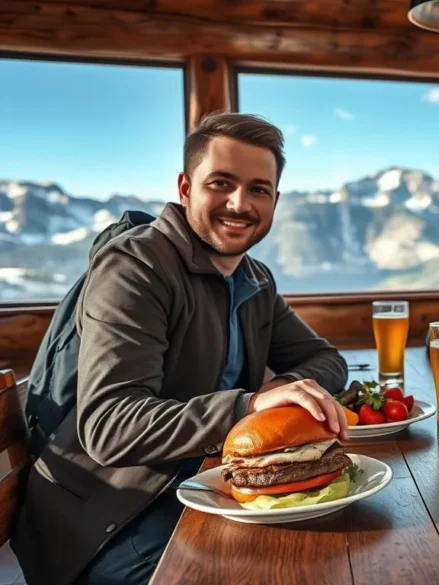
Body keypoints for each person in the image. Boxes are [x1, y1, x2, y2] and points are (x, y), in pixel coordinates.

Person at [11, 113, 351, 585]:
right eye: (221, 183)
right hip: (109, 519)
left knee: (333, 551)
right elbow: (109, 427)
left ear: (275, 200)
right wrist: (250, 405)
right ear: (186, 187)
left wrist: (288, 391)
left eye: (258, 189)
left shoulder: (254, 278)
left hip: (207, 485)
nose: (240, 203)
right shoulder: (135, 267)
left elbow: (327, 360)